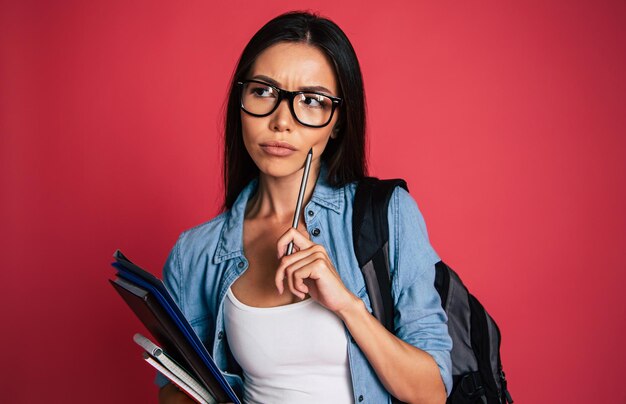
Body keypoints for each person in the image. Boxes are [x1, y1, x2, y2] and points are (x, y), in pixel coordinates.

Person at [158, 11, 452, 404]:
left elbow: (430, 393)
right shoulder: (194, 255)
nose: (282, 121)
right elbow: (174, 393)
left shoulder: (389, 214)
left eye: (311, 101)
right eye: (263, 91)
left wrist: (347, 305)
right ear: (240, 102)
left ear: (336, 122)